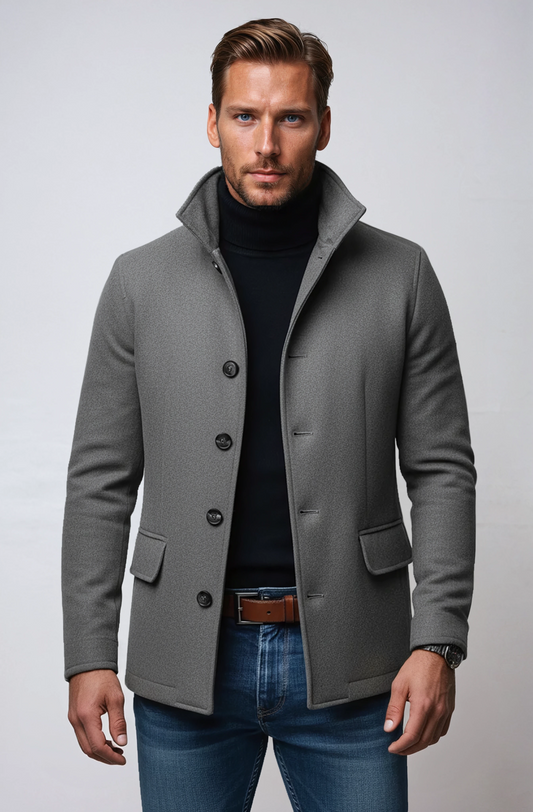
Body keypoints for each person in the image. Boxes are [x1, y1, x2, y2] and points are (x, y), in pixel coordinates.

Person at [62, 18, 476, 812]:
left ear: (323, 124)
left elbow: (442, 471)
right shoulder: (138, 283)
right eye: (244, 116)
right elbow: (98, 482)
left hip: (357, 661)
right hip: (184, 662)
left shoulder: (401, 275)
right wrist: (88, 653)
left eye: (290, 117)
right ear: (211, 121)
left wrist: (437, 639)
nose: (265, 143)